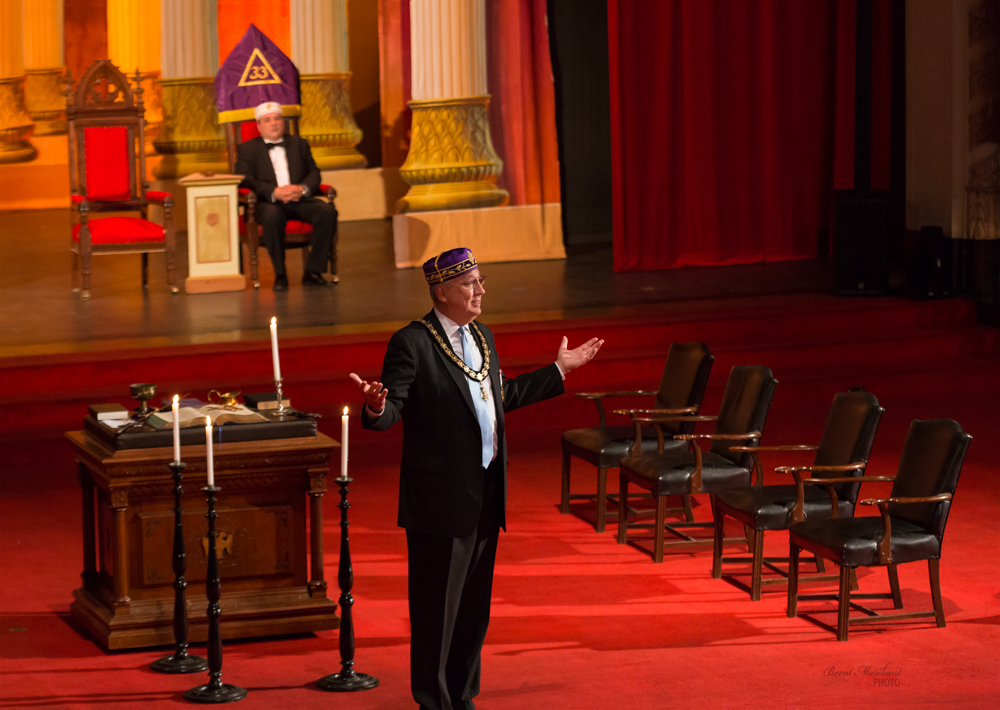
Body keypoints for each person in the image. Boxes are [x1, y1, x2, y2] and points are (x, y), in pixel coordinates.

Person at [350, 248, 603, 710]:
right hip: (440, 500)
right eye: (470, 284)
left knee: (472, 610)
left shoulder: (482, 336)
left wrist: (559, 370)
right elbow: (391, 411)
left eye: (480, 281)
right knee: (437, 612)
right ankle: (434, 701)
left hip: (485, 493)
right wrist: (375, 406)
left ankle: (462, 696)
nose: (481, 291)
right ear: (441, 292)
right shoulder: (413, 342)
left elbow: (501, 397)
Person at [234, 101, 337, 291]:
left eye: (277, 119)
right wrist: (273, 192)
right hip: (267, 202)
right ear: (259, 126)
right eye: (267, 120)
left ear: (283, 122)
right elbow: (245, 179)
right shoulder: (247, 149)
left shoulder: (299, 144)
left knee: (327, 212)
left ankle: (313, 271)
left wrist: (302, 189)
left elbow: (314, 172)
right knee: (272, 216)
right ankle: (280, 274)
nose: (273, 123)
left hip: (299, 199)